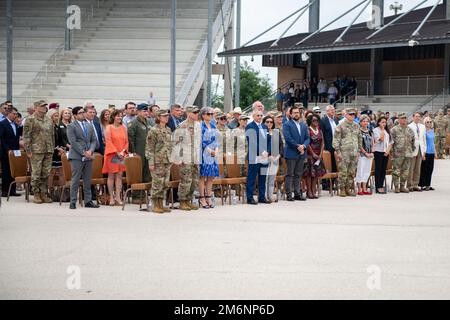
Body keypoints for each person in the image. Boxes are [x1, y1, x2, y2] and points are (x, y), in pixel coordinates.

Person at [66, 107, 99, 209]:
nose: (83, 114)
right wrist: (83, 152)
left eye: (83, 112)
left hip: (88, 155)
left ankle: (88, 201)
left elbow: (94, 140)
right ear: (75, 115)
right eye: (80, 113)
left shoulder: (89, 125)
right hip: (77, 156)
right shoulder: (71, 126)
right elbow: (73, 142)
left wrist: (90, 151)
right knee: (75, 179)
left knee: (87, 179)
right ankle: (73, 201)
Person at [23, 100, 55, 204]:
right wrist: (28, 150)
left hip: (48, 149)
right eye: (42, 106)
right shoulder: (30, 119)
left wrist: (52, 147)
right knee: (36, 173)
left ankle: (43, 193)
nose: (44, 108)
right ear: (36, 107)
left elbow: (52, 135)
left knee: (45, 173)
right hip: (36, 150)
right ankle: (36, 193)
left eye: (45, 106)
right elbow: (26, 136)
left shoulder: (48, 119)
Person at [172, 106, 201, 211]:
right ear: (188, 113)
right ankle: (182, 201)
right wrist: (178, 159)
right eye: (194, 112)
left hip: (195, 157)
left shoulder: (198, 125)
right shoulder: (182, 126)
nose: (196, 114)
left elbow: (198, 142)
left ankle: (189, 200)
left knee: (194, 180)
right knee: (186, 180)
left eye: (197, 112)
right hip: (185, 156)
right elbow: (176, 143)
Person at [145, 109, 172, 214]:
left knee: (165, 183)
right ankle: (156, 205)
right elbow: (149, 148)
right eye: (164, 116)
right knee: (157, 183)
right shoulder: (153, 130)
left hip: (167, 160)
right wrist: (151, 162)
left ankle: (161, 204)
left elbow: (170, 145)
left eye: (167, 116)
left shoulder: (168, 129)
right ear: (158, 117)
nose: (166, 117)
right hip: (157, 161)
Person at [282, 105, 310, 201]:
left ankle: (297, 193)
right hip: (291, 152)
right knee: (290, 174)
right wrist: (298, 146)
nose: (296, 114)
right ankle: (289, 194)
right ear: (290, 114)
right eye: (294, 112)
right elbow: (288, 138)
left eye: (297, 112)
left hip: (301, 153)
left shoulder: (303, 125)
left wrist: (304, 146)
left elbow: (307, 138)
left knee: (298, 174)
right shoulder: (287, 124)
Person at [332, 108, 362, 197]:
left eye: (353, 114)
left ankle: (348, 188)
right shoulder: (340, 125)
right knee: (343, 172)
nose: (352, 116)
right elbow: (336, 140)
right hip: (344, 153)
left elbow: (359, 138)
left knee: (352, 172)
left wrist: (359, 150)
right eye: (350, 114)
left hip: (354, 153)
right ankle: (342, 189)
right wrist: (338, 152)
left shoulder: (356, 125)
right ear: (345, 115)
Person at [103, 109, 129, 206]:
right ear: (113, 117)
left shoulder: (123, 128)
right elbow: (108, 141)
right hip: (111, 154)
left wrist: (123, 152)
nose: (120, 117)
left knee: (119, 176)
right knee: (111, 176)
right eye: (118, 116)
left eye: (121, 116)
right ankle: (111, 197)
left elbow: (126, 141)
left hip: (121, 155)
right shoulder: (109, 127)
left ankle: (118, 197)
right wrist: (116, 152)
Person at [245, 109, 271, 205]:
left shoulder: (265, 127)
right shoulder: (249, 127)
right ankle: (250, 197)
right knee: (252, 177)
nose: (260, 117)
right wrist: (262, 151)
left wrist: (267, 151)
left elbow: (269, 140)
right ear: (253, 116)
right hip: (254, 155)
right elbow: (252, 142)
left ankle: (261, 197)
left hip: (264, 156)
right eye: (258, 115)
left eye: (261, 115)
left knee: (262, 177)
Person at [128, 103, 151, 204]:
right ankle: (137, 197)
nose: (146, 113)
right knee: (138, 175)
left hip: (148, 153)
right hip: (138, 154)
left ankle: (144, 196)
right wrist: (133, 153)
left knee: (147, 175)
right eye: (144, 111)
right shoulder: (133, 123)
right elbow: (130, 139)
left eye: (147, 111)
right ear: (138, 112)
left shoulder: (149, 122)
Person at [198, 107, 219, 209]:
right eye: (208, 114)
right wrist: (210, 150)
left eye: (211, 114)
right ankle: (202, 198)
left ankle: (208, 197)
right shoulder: (200, 126)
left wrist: (216, 150)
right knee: (202, 176)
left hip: (213, 154)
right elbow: (201, 141)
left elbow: (216, 139)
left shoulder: (213, 125)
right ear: (203, 115)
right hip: (204, 154)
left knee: (211, 177)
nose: (210, 116)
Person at [390, 113, 416, 193]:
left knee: (405, 171)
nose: (404, 119)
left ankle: (402, 186)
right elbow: (391, 142)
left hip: (408, 154)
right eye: (402, 118)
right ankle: (396, 187)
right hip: (397, 154)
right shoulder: (394, 129)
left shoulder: (410, 130)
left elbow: (413, 141)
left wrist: (411, 150)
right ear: (398, 119)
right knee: (396, 171)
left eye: (405, 118)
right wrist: (392, 153)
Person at [0, 107, 21, 197]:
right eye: (14, 114)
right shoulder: (2, 124)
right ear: (8, 113)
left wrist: (17, 150)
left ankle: (13, 190)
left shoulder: (15, 125)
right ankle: (5, 190)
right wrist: (7, 149)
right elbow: (1, 139)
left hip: (15, 151)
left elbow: (16, 139)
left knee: (14, 170)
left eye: (16, 114)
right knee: (6, 171)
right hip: (6, 152)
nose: (15, 115)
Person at [303, 113, 325, 199]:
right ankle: (309, 192)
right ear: (310, 121)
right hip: (310, 155)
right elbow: (307, 143)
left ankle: (313, 191)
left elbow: (323, 142)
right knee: (309, 174)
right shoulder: (308, 130)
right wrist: (313, 154)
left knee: (316, 174)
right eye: (314, 120)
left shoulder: (320, 130)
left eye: (317, 120)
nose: (316, 122)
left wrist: (321, 154)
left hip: (319, 155)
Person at [263, 115, 282, 202]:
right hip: (265, 159)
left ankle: (270, 196)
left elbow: (281, 145)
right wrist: (269, 156)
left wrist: (278, 156)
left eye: (271, 122)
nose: (269, 123)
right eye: (267, 122)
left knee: (272, 179)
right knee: (265, 179)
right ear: (264, 123)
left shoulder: (276, 132)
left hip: (275, 159)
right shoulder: (261, 132)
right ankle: (264, 196)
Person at [407, 112, 427, 192]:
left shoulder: (422, 126)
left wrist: (424, 150)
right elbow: (408, 140)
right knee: (411, 168)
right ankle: (409, 185)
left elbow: (424, 139)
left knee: (418, 168)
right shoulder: (409, 126)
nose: (417, 118)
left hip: (420, 149)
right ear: (413, 117)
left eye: (419, 116)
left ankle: (415, 184)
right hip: (412, 149)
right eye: (416, 116)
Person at [355, 115, 374, 195]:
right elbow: (359, 144)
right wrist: (365, 153)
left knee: (367, 171)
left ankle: (365, 188)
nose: (365, 123)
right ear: (360, 122)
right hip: (362, 155)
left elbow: (373, 142)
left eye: (367, 121)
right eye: (364, 121)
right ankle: (359, 189)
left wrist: (372, 152)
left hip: (370, 154)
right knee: (360, 171)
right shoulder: (358, 131)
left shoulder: (370, 131)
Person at [372, 116, 391, 194]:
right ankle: (378, 187)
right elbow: (381, 139)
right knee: (378, 169)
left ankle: (381, 185)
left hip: (385, 152)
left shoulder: (387, 131)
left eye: (385, 122)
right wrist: (382, 130)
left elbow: (390, 142)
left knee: (383, 170)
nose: (384, 124)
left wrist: (388, 150)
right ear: (379, 122)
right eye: (382, 122)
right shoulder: (375, 130)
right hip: (378, 151)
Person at [419, 117, 436, 191]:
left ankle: (428, 185)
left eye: (430, 122)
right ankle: (422, 184)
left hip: (432, 152)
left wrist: (435, 152)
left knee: (430, 169)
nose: (429, 123)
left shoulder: (432, 131)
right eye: (427, 122)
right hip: (426, 152)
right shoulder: (423, 131)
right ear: (424, 123)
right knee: (424, 169)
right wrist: (423, 153)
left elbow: (433, 143)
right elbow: (422, 142)